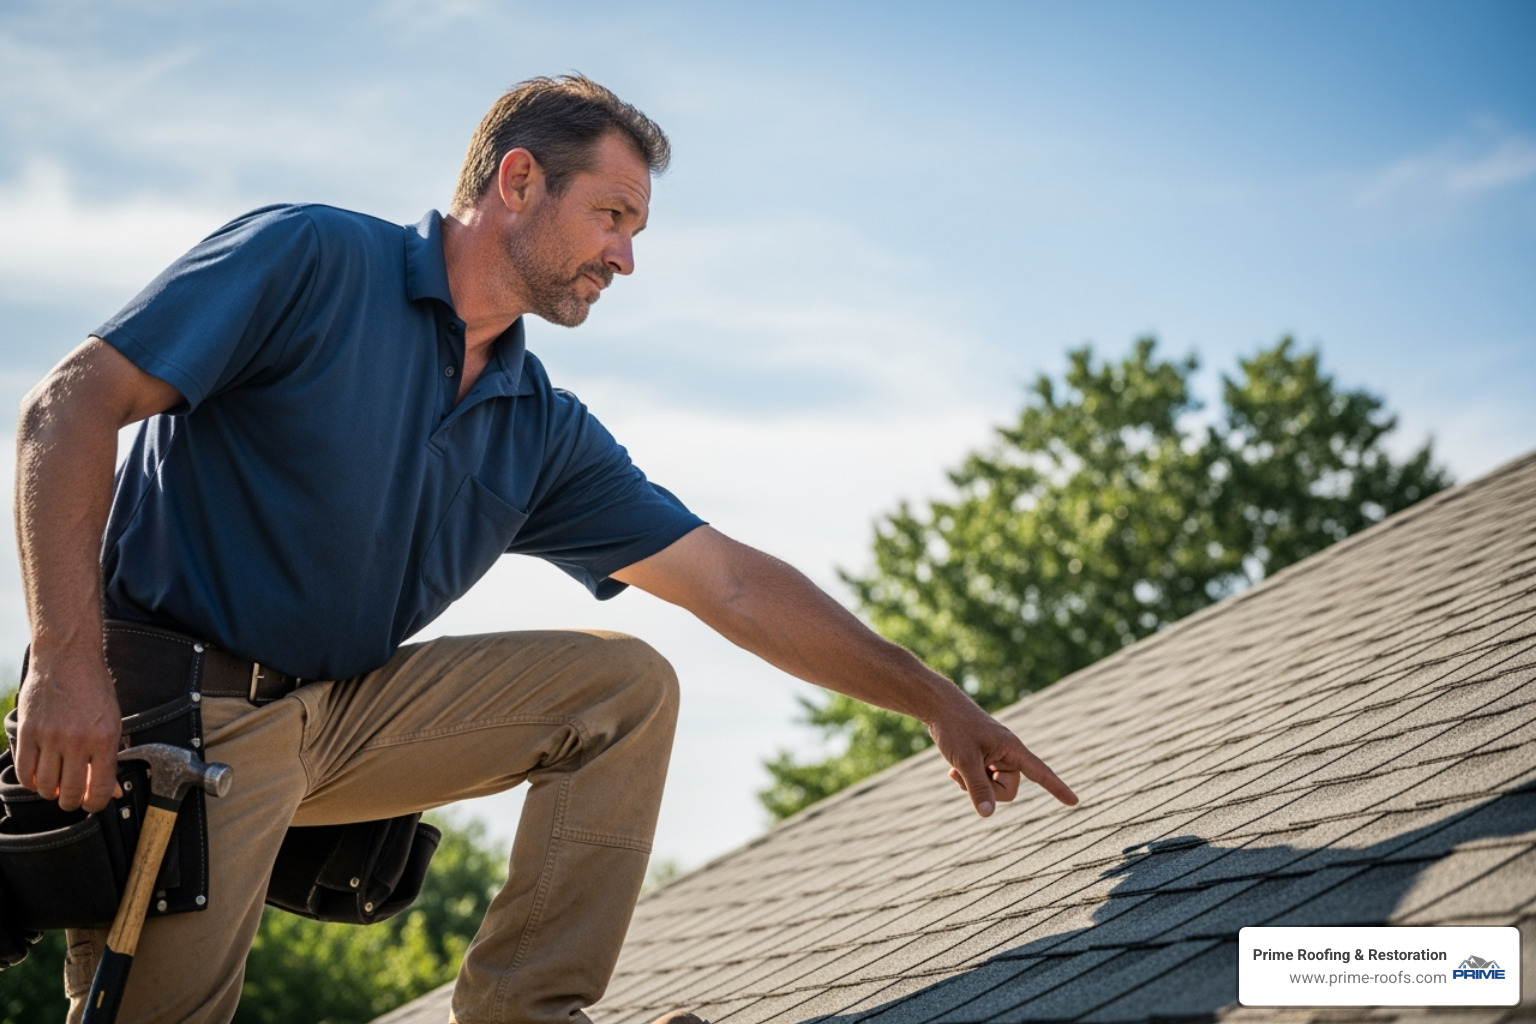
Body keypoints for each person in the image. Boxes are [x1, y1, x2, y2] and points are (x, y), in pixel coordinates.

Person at [11, 75, 1077, 1024]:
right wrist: (64, 657)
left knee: (623, 689)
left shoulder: (538, 424)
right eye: (612, 215)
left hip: (339, 711)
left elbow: (735, 581)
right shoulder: (314, 260)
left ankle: (525, 1014)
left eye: (637, 231)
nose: (624, 256)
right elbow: (71, 403)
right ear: (519, 181)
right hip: (182, 721)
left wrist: (934, 696)